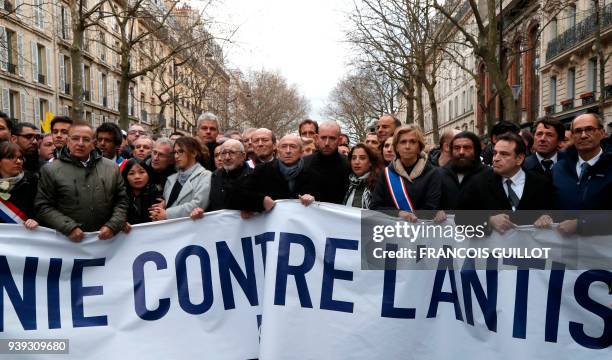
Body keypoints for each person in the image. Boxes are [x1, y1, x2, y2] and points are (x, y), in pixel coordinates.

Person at [35, 121, 128, 242]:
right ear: (68, 141)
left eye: (86, 139)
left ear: (93, 143)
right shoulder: (51, 170)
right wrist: (69, 227)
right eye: (75, 138)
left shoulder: (111, 168)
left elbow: (122, 200)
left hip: (106, 242)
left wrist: (113, 225)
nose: (80, 143)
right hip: (67, 242)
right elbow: (43, 206)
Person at [457, 132, 554, 233]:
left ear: (519, 159)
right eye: (495, 153)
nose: (496, 158)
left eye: (504, 154)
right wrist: (488, 221)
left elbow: (554, 212)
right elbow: (460, 218)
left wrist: (547, 217)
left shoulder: (541, 183)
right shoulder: (478, 182)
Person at [551, 113, 612, 235]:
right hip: (564, 248)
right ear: (572, 136)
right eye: (578, 131)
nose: (583, 135)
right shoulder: (558, 169)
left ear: (602, 132)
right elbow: (549, 204)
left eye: (589, 129)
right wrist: (545, 216)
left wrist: (581, 224)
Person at [229, 134, 317, 215]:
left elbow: (325, 204)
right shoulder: (262, 170)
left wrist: (313, 200)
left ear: (301, 152)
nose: (288, 151)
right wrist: (261, 201)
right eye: (284, 146)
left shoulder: (312, 174)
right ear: (278, 151)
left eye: (293, 147)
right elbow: (236, 195)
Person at [371, 125, 441, 221]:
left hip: (423, 230)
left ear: (419, 146)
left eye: (412, 142)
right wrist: (399, 213)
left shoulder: (433, 173)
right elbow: (375, 206)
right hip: (392, 230)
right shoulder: (386, 174)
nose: (407, 146)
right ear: (396, 147)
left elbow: (432, 208)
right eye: (403, 142)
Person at [150, 136, 211, 220]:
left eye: (181, 152)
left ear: (193, 153)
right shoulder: (171, 179)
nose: (176, 156)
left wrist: (167, 214)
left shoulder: (205, 175)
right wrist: (164, 205)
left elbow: (199, 204)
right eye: (175, 152)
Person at [437, 131, 487, 211]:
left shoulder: (489, 175)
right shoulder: (439, 174)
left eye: (467, 148)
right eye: (457, 148)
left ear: (476, 150)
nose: (461, 152)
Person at [303, 121, 350, 204]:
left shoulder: (348, 165)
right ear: (316, 138)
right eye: (323, 138)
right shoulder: (304, 163)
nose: (327, 143)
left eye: (332, 138)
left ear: (339, 140)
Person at [204, 139, 253, 212]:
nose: (227, 157)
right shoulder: (215, 176)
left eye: (232, 152)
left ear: (243, 156)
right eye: (223, 153)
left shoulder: (255, 176)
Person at [0, 142, 38, 229]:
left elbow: (41, 207)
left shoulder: (32, 181)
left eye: (20, 158)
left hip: (26, 236)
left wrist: (35, 219)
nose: (18, 161)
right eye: (11, 157)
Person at [121, 158, 161, 227]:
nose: (137, 177)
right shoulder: (120, 196)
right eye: (131, 173)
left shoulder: (157, 194)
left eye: (142, 172)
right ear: (125, 177)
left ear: (148, 174)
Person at [344, 143, 383, 209]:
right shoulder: (346, 182)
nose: (356, 162)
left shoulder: (379, 184)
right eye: (353, 158)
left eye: (362, 158)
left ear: (371, 162)